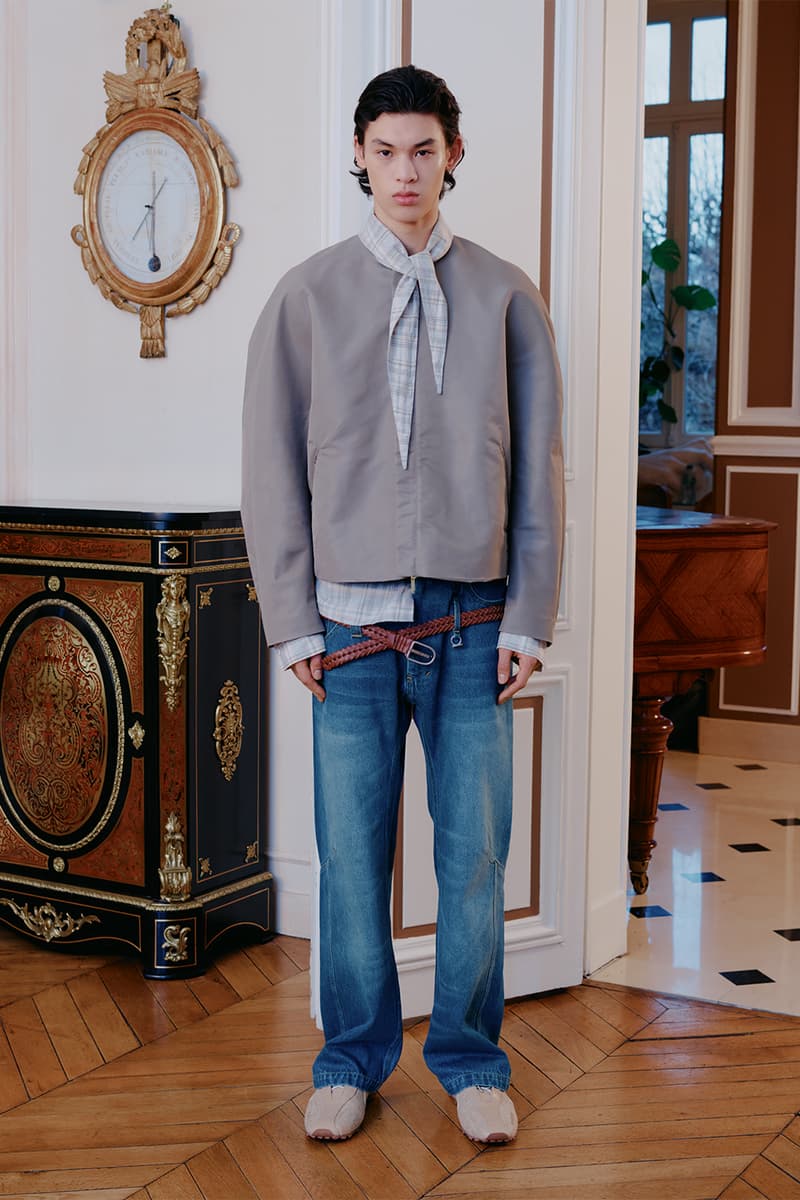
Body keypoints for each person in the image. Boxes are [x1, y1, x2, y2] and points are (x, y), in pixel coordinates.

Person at [241, 64, 564, 1145]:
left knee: (473, 857)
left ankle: (471, 1061)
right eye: (385, 152)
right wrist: (292, 619)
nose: (405, 172)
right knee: (349, 861)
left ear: (453, 155)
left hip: (474, 629)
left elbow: (537, 470)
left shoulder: (508, 296)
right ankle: (349, 1060)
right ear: (359, 157)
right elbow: (270, 469)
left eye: (423, 150)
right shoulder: (304, 297)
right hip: (346, 632)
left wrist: (528, 615)